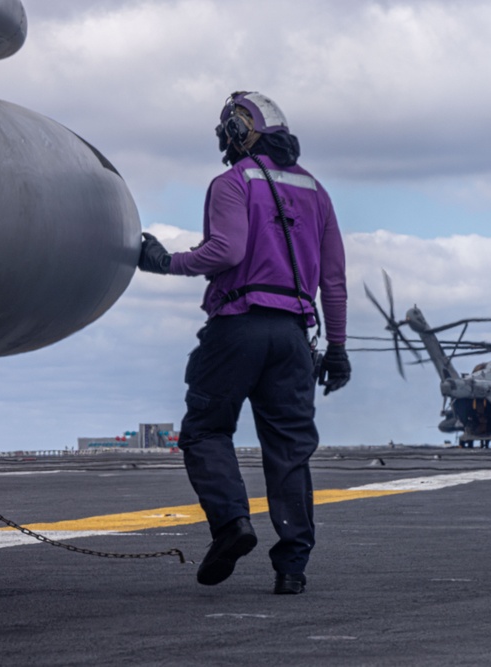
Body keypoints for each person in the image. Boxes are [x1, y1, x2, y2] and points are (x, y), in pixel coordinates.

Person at [137, 91, 350, 595]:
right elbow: (335, 280)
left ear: (238, 130)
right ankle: (292, 567)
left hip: (238, 326)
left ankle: (232, 524)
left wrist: (166, 261)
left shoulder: (233, 182)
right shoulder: (317, 191)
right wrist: (337, 348)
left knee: (206, 431)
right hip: (295, 336)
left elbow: (225, 251)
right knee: (290, 451)